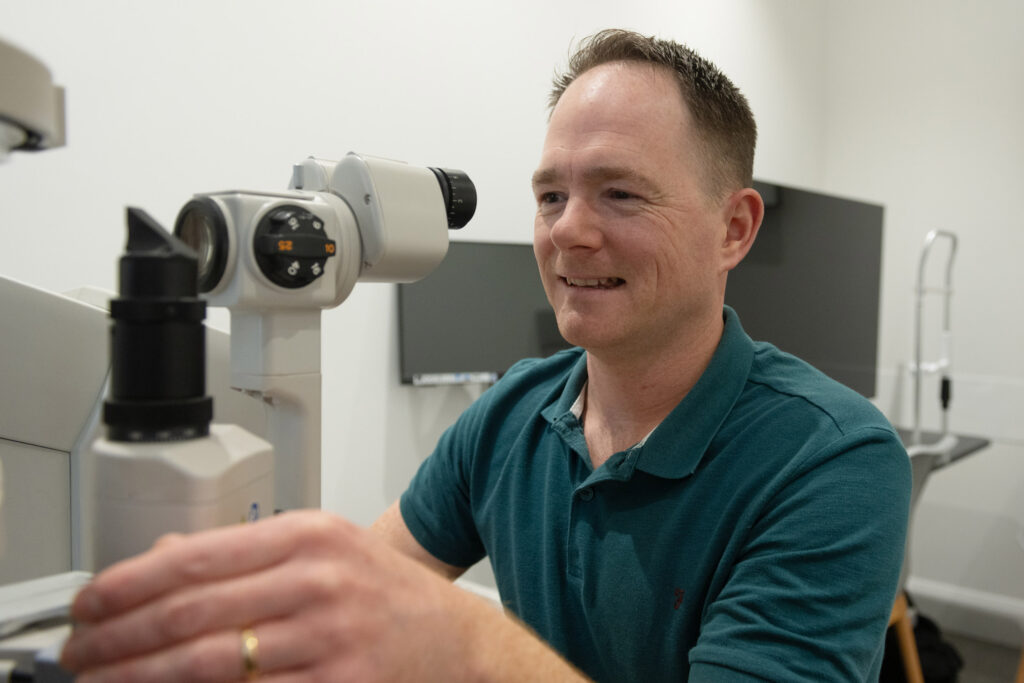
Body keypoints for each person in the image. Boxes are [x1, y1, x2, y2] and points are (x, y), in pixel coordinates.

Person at [60, 29, 911, 682]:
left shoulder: (832, 461)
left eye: (619, 192)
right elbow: (371, 582)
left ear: (734, 229)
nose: (567, 231)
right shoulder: (513, 415)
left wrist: (462, 642)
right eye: (550, 194)